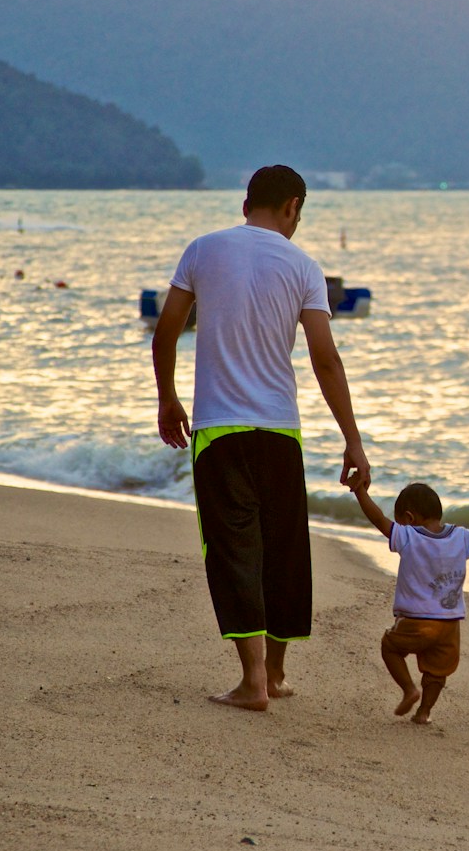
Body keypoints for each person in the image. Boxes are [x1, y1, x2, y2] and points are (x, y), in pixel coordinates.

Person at [153, 164, 370, 712]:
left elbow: (167, 331)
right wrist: (353, 439)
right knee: (284, 550)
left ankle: (252, 680)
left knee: (232, 550)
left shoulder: (203, 250)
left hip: (219, 429)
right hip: (280, 429)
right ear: (292, 206)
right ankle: (274, 674)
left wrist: (168, 398)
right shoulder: (304, 266)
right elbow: (325, 359)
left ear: (248, 202)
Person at [353, 482, 469, 724]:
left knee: (390, 647)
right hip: (449, 625)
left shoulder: (409, 536)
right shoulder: (461, 537)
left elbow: (378, 518)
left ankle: (409, 689)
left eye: (400, 521)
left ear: (409, 518)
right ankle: (424, 712)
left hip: (416, 621)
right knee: (437, 672)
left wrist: (360, 492)